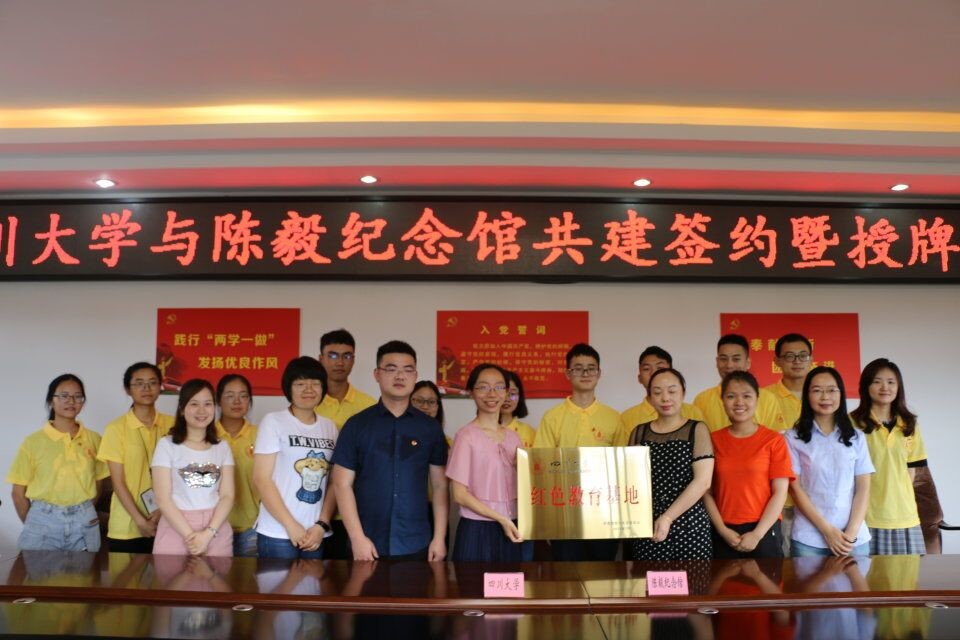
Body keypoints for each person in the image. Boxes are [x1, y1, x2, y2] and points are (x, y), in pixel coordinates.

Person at [331, 340, 449, 561]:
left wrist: (439, 537)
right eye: (391, 369)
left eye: (407, 370)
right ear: (377, 374)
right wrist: (357, 538)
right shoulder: (356, 425)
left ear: (415, 375)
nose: (400, 376)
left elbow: (440, 486)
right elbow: (341, 484)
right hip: (366, 544)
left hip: (416, 542)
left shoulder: (430, 428)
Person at [534, 343, 621, 561]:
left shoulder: (614, 418)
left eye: (591, 368)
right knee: (566, 574)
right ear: (568, 373)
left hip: (604, 513)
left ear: (599, 373)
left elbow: (622, 469)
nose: (585, 373)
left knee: (603, 574)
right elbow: (542, 468)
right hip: (564, 514)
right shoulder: (552, 417)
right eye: (578, 368)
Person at [8, 374, 109, 551]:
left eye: (77, 396)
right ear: (51, 401)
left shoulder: (94, 439)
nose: (71, 401)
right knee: (37, 570)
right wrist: (34, 523)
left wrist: (84, 509)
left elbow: (99, 480)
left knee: (85, 569)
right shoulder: (33, 442)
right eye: (64, 395)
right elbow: (18, 493)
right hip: (43, 520)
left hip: (84, 521)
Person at [253, 356, 338, 559]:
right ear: (288, 388)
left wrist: (322, 524)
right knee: (278, 581)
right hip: (277, 532)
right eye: (300, 384)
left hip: (315, 534)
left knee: (312, 581)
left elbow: (334, 482)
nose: (308, 390)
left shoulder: (330, 427)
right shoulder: (274, 421)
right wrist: (291, 525)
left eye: (315, 383)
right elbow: (261, 479)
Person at [703, 371, 794, 559]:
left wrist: (757, 534)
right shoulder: (712, 440)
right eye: (731, 396)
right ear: (722, 401)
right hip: (724, 531)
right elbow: (706, 491)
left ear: (757, 399)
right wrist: (722, 530)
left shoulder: (773, 440)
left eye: (746, 396)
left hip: (764, 529)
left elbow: (780, 492)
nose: (739, 402)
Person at [626, 368, 714, 561]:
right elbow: (630, 482)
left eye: (672, 391)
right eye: (657, 392)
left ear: (683, 393)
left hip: (689, 526)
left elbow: (703, 482)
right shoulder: (639, 433)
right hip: (648, 526)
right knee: (652, 578)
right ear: (649, 397)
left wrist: (667, 518)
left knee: (692, 579)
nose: (665, 398)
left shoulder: (697, 429)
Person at [785, 366, 873, 557]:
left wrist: (851, 533)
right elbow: (795, 488)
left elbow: (863, 487)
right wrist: (827, 531)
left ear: (841, 394)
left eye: (832, 390)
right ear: (807, 396)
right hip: (809, 539)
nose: (825, 397)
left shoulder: (856, 437)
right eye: (817, 390)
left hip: (853, 539)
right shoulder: (793, 438)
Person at [447, 363, 531, 562]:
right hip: (478, 528)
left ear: (506, 392)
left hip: (512, 525)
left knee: (508, 581)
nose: (492, 394)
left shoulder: (514, 437)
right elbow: (459, 495)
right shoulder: (466, 436)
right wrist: (500, 518)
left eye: (499, 387)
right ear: (471, 393)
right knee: (474, 582)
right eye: (483, 387)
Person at [851, 358, 928, 555]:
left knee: (908, 574)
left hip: (905, 517)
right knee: (867, 574)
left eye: (891, 382)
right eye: (877, 381)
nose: (885, 387)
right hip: (866, 517)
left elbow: (911, 470)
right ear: (866, 386)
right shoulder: (852, 423)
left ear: (898, 387)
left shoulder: (910, 424)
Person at [98, 362, 176, 553]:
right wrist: (140, 521)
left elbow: (179, 475)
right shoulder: (116, 429)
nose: (146, 388)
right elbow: (118, 482)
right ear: (128, 389)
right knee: (125, 574)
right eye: (139, 383)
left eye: (152, 382)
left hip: (169, 521)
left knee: (166, 573)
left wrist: (162, 510)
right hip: (126, 525)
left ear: (160, 387)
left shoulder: (173, 425)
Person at [152, 378, 235, 556]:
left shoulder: (222, 447)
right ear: (182, 409)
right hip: (176, 526)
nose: (202, 410)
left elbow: (227, 496)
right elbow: (162, 499)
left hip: (215, 527)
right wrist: (192, 538)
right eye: (194, 404)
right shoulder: (166, 445)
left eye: (208, 404)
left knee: (217, 574)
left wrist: (207, 534)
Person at [315, 329, 376, 560]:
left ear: (353, 360)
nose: (339, 362)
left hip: (356, 511)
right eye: (332, 355)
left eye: (346, 355)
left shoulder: (368, 405)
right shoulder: (310, 402)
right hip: (313, 511)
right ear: (321, 358)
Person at [763, 333, 813, 555]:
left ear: (811, 359)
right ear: (777, 361)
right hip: (780, 499)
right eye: (790, 356)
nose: (797, 361)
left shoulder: (821, 395)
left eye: (803, 355)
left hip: (816, 498)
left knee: (815, 567)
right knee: (782, 564)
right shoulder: (764, 397)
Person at [693, 334, 785, 432]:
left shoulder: (767, 399)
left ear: (748, 362)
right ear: (717, 362)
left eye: (736, 359)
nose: (729, 365)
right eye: (723, 359)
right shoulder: (702, 400)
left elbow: (775, 436)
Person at [616, 346, 704, 446]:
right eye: (646, 369)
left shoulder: (693, 412)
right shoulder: (627, 418)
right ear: (639, 377)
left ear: (672, 373)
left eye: (660, 368)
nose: (654, 373)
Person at [215, 374, 259, 557]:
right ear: (218, 400)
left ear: (250, 401)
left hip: (252, 528)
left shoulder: (261, 435)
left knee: (250, 576)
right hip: (213, 528)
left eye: (243, 395)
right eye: (229, 395)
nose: (237, 401)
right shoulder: (206, 436)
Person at [499, 370, 537, 448]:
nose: (507, 399)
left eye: (512, 394)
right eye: (502, 393)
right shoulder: (481, 430)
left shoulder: (530, 432)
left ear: (519, 397)